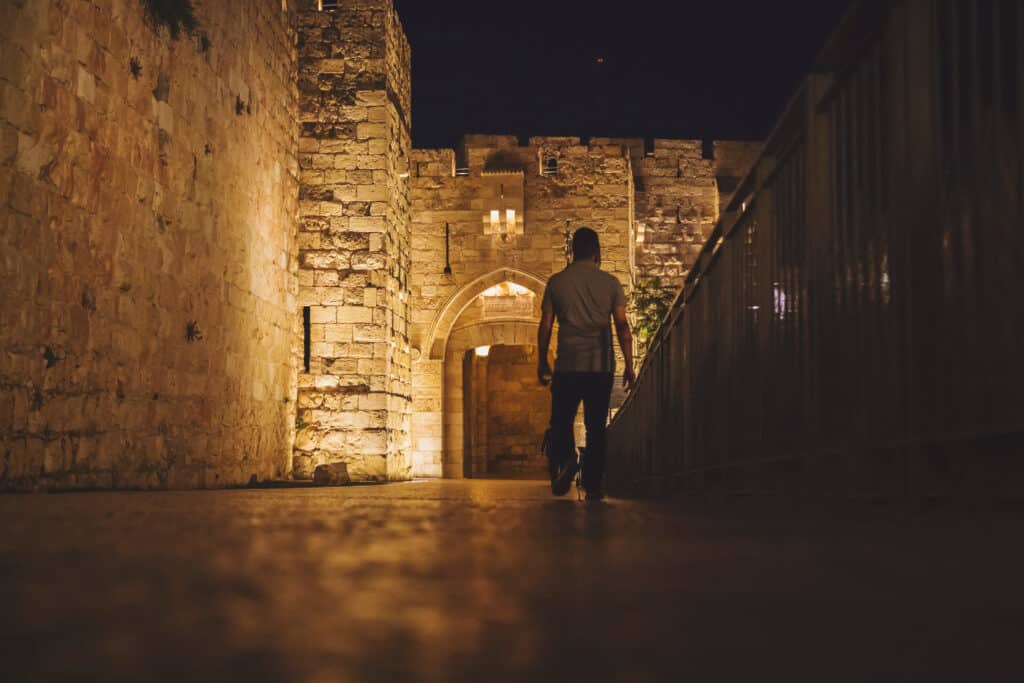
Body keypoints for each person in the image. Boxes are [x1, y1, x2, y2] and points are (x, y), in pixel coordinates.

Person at [537, 227, 635, 501]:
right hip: (599, 365)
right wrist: (629, 365)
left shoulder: (557, 283)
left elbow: (545, 324)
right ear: (596, 250)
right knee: (595, 426)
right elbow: (622, 327)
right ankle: (593, 484)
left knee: (561, 421)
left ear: (572, 251)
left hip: (567, 363)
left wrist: (542, 359)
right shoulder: (610, 284)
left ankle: (567, 460)